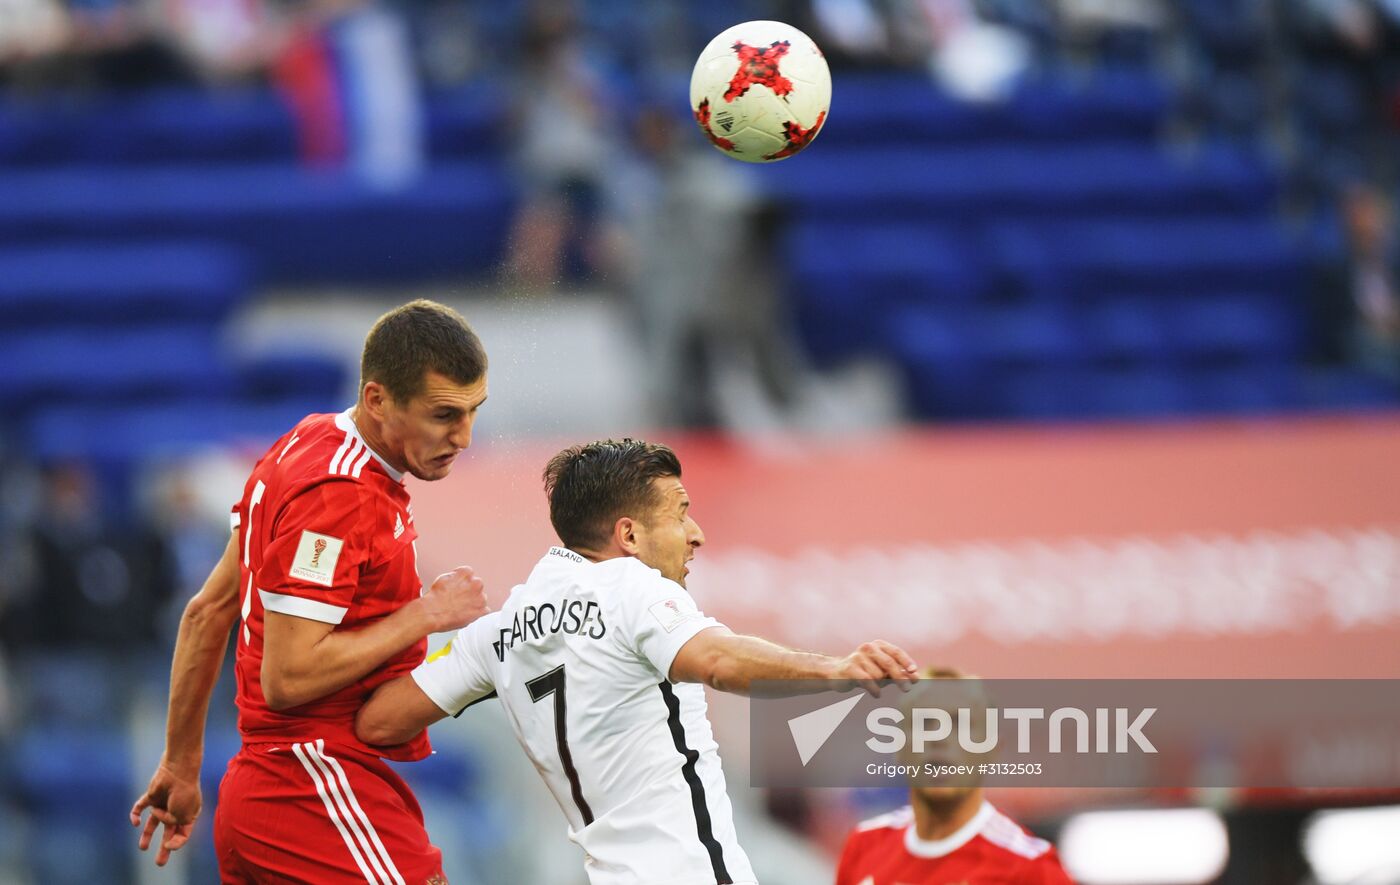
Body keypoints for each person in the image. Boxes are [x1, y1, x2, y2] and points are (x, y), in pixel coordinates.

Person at [354, 438, 920, 885]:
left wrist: (418, 620)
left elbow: (379, 722)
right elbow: (718, 660)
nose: (695, 534)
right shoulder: (630, 584)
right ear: (628, 534)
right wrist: (835, 670)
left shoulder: (498, 631)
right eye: (679, 514)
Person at [130, 299, 492, 883]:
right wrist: (426, 614)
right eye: (444, 415)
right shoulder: (339, 495)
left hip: (266, 789)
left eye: (474, 411)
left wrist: (181, 763)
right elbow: (289, 676)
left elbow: (209, 611)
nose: (465, 436)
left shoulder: (305, 443)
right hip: (311, 785)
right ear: (377, 400)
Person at [834, 668, 1073, 885]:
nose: (939, 739)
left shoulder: (1030, 870)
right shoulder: (864, 845)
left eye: (960, 725)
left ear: (992, 749)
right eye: (925, 724)